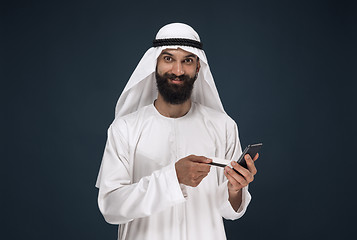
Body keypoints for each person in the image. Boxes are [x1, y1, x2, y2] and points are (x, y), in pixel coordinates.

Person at [95, 23, 259, 240]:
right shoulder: (125, 129)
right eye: (169, 58)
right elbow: (111, 207)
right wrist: (173, 178)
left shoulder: (223, 126)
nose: (178, 71)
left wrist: (235, 189)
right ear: (155, 63)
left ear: (198, 67)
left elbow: (229, 210)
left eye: (187, 61)